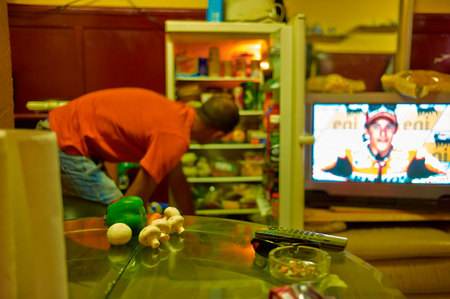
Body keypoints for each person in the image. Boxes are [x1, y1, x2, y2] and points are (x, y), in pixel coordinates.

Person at [37, 87, 239, 214]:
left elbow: (178, 179)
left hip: (57, 130)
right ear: (216, 135)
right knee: (122, 216)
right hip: (64, 143)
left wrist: (192, 224)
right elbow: (136, 195)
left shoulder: (177, 115)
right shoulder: (176, 138)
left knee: (120, 212)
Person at [318, 104, 448, 183]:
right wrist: (343, 179)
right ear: (366, 130)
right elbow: (315, 173)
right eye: (376, 127)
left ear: (395, 130)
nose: (383, 133)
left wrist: (418, 179)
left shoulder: (413, 156)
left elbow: (446, 177)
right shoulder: (347, 155)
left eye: (389, 127)